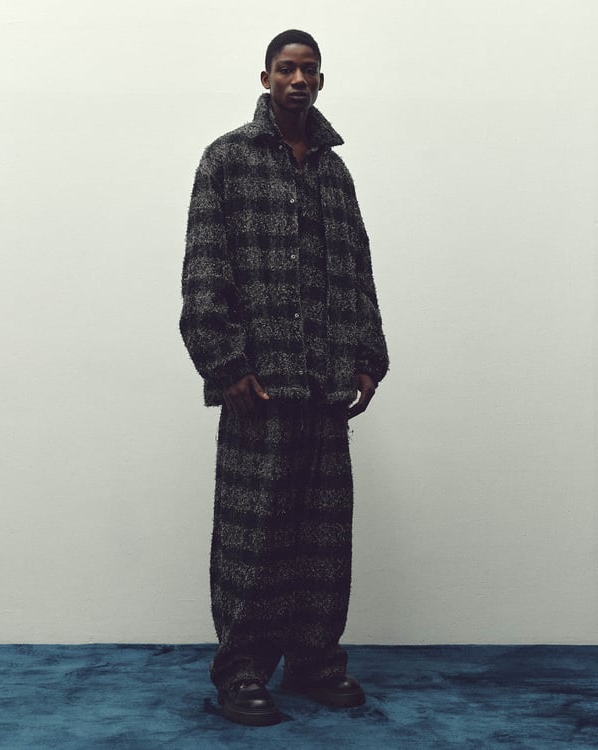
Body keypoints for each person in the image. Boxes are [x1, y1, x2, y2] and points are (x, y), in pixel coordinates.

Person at [180, 29, 389, 726]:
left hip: (327, 387)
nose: (298, 80)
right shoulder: (227, 159)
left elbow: (358, 267)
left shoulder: (335, 172)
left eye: (309, 70)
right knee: (253, 537)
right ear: (266, 77)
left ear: (321, 81)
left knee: (324, 540)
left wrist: (367, 355)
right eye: (286, 69)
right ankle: (241, 671)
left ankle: (313, 662)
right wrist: (225, 363)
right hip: (260, 388)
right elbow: (205, 267)